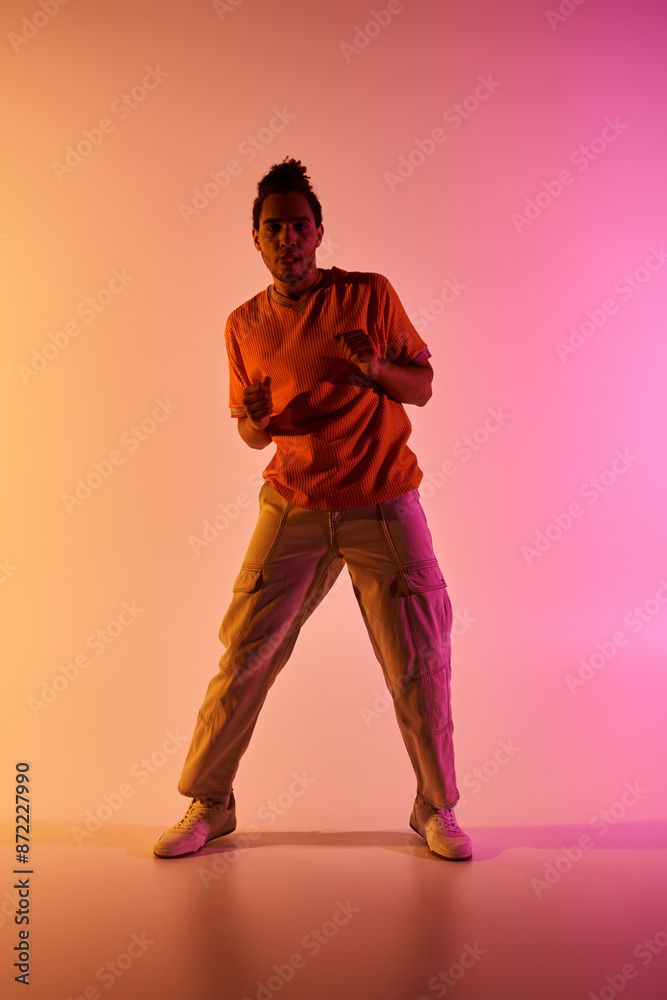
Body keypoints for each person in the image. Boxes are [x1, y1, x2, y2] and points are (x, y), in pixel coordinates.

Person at [153, 158, 472, 861]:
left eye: (300, 225)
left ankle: (435, 806)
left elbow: (419, 387)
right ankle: (211, 802)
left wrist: (374, 372)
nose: (288, 238)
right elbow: (247, 431)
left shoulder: (369, 295)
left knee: (419, 658)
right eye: (274, 228)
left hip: (382, 500)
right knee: (245, 654)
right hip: (292, 505)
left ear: (318, 231)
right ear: (256, 239)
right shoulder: (242, 324)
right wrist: (257, 421)